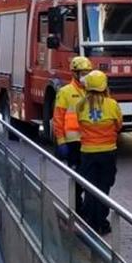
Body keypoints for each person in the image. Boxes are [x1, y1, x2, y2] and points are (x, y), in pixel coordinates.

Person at [76, 70, 122, 235]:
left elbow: (79, 126)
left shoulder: (80, 105)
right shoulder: (112, 104)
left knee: (89, 188)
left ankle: (90, 222)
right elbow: (118, 126)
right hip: (108, 152)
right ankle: (102, 222)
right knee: (104, 188)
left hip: (87, 153)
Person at [54, 55, 92, 212]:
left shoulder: (93, 91)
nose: (85, 76)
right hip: (73, 141)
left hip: (89, 141)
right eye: (82, 73)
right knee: (77, 178)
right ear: (74, 73)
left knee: (89, 177)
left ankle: (87, 209)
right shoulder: (65, 92)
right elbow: (58, 118)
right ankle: (77, 208)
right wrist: (61, 141)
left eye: (88, 73)